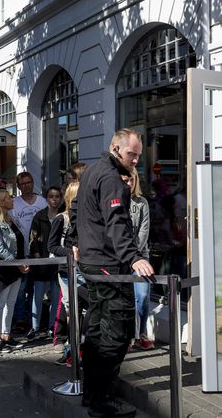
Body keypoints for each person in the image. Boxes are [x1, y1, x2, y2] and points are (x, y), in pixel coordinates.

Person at [72, 128, 154, 417]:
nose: (135, 161)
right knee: (115, 333)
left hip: (93, 263)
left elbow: (75, 207)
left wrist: (74, 241)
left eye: (138, 156)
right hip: (108, 265)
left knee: (95, 330)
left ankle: (92, 395)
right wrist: (133, 257)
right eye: (132, 155)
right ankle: (101, 400)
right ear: (116, 149)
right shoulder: (110, 179)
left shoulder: (92, 172)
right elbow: (117, 223)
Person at [48, 181, 85, 363]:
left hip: (85, 269)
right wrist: (71, 252)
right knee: (72, 310)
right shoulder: (61, 218)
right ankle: (71, 349)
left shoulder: (88, 217)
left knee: (83, 310)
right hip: (66, 270)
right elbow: (52, 245)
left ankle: (80, 347)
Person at [0, 189, 28, 351]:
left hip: (16, 265)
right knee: (0, 302)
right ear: (1, 202)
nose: (12, 199)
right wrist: (17, 263)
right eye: (9, 198)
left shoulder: (12, 219)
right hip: (4, 267)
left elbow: (20, 241)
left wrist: (23, 260)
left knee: (11, 302)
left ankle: (6, 333)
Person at [10, 172, 47, 331]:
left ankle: (35, 320)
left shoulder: (42, 201)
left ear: (33, 182)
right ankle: (20, 319)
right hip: (21, 251)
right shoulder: (14, 204)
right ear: (18, 186)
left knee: (36, 287)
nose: (26, 185)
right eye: (22, 183)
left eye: (28, 182)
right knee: (21, 288)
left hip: (39, 251)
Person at [27, 186, 62, 339]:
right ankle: (34, 328)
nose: (54, 199)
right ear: (46, 199)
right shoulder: (39, 216)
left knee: (55, 297)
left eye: (57, 196)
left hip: (58, 262)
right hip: (41, 261)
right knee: (38, 296)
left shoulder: (63, 216)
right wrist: (37, 257)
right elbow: (33, 238)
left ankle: (51, 327)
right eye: (51, 196)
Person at [125, 170, 153, 350]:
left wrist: (133, 255)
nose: (129, 183)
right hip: (118, 258)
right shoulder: (114, 201)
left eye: (132, 179)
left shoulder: (142, 203)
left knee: (142, 296)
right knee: (125, 299)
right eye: (126, 179)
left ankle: (141, 332)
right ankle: (128, 336)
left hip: (140, 256)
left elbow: (143, 231)